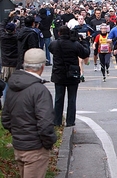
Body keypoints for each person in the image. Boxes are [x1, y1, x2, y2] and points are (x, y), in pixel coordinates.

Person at [1, 48, 57, 178]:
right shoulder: (39, 90)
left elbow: (6, 119)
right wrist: (49, 142)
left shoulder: (13, 86)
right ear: (42, 67)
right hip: (36, 148)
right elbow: (45, 123)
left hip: (19, 145)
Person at [49, 26, 90, 127]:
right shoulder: (75, 44)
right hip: (72, 73)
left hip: (58, 73)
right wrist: (83, 41)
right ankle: (70, 121)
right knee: (72, 98)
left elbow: (50, 49)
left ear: (59, 33)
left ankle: (57, 121)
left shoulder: (54, 44)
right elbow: (85, 54)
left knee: (58, 98)